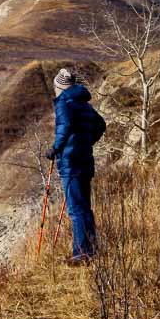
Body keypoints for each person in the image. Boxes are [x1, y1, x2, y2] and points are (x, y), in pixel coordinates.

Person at [46, 68, 106, 263]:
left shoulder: (64, 103)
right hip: (85, 160)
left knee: (76, 209)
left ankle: (81, 254)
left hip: (70, 162)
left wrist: (55, 149)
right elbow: (100, 125)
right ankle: (92, 249)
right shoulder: (84, 105)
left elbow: (64, 128)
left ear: (59, 87)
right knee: (85, 208)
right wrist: (86, 142)